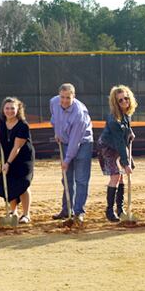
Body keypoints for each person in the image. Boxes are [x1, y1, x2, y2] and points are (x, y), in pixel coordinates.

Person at [50, 83, 93, 223]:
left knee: (80, 179)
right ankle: (66, 209)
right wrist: (57, 132)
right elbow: (54, 118)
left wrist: (67, 160)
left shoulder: (79, 114)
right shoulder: (54, 102)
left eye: (68, 97)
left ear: (74, 96)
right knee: (66, 178)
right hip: (64, 141)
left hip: (82, 143)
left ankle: (78, 212)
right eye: (62, 97)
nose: (64, 101)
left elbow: (75, 141)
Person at [98, 85, 137, 222]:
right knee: (115, 175)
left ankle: (120, 209)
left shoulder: (126, 114)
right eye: (120, 100)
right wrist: (126, 163)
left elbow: (125, 130)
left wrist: (129, 132)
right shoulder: (114, 119)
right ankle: (109, 211)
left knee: (121, 178)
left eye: (126, 98)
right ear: (116, 102)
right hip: (107, 147)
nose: (124, 101)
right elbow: (119, 143)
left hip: (118, 145)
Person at [0, 97, 35, 224]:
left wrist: (8, 163)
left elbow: (17, 148)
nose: (9, 111)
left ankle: (26, 214)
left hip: (22, 157)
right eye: (7, 108)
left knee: (22, 184)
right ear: (3, 109)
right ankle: (14, 212)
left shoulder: (23, 125)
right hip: (7, 154)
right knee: (8, 182)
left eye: (13, 108)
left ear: (18, 110)